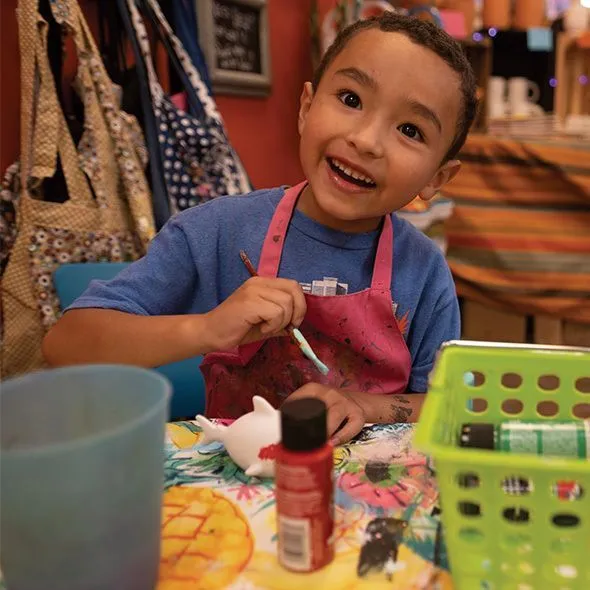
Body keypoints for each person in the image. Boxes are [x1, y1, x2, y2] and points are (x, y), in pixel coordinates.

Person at [43, 12, 477, 445]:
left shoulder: (424, 272)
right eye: (350, 98)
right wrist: (207, 328)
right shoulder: (215, 231)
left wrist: (366, 407)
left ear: (436, 179)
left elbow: (443, 403)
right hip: (233, 496)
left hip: (368, 498)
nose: (366, 140)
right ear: (306, 108)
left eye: (409, 130)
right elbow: (66, 345)